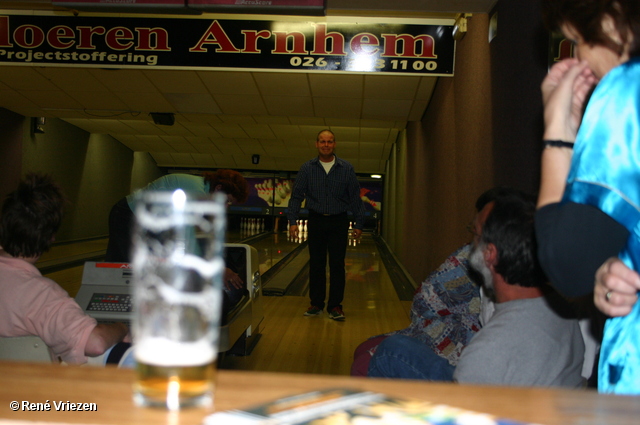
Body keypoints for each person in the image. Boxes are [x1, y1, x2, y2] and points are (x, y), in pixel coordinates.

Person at [368, 188, 585, 388]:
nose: (470, 243)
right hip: (535, 399)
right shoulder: (561, 309)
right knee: (396, 348)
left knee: (388, 353)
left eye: (475, 233)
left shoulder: (490, 349)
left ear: (489, 253)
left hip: (501, 409)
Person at [536, 0, 640, 394]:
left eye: (577, 40)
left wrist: (558, 132)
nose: (579, 56)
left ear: (613, 21)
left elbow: (568, 261)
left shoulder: (628, 88)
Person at [0, 173, 130, 365]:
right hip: (30, 390)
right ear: (51, 237)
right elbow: (95, 343)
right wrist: (122, 328)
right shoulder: (42, 295)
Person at [105, 170, 250, 301]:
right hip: (127, 216)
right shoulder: (195, 191)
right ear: (218, 188)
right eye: (227, 200)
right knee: (123, 268)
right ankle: (108, 305)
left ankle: (122, 306)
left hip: (146, 223)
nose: (226, 206)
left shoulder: (201, 191)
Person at [287, 129, 366, 321]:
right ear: (316, 144)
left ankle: (335, 306)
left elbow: (355, 198)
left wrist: (359, 223)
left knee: (337, 265)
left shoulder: (346, 168)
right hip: (316, 220)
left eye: (329, 142)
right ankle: (316, 304)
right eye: (322, 141)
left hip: (339, 220)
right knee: (317, 264)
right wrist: (292, 221)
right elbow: (296, 196)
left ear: (334, 144)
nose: (326, 145)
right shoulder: (307, 168)